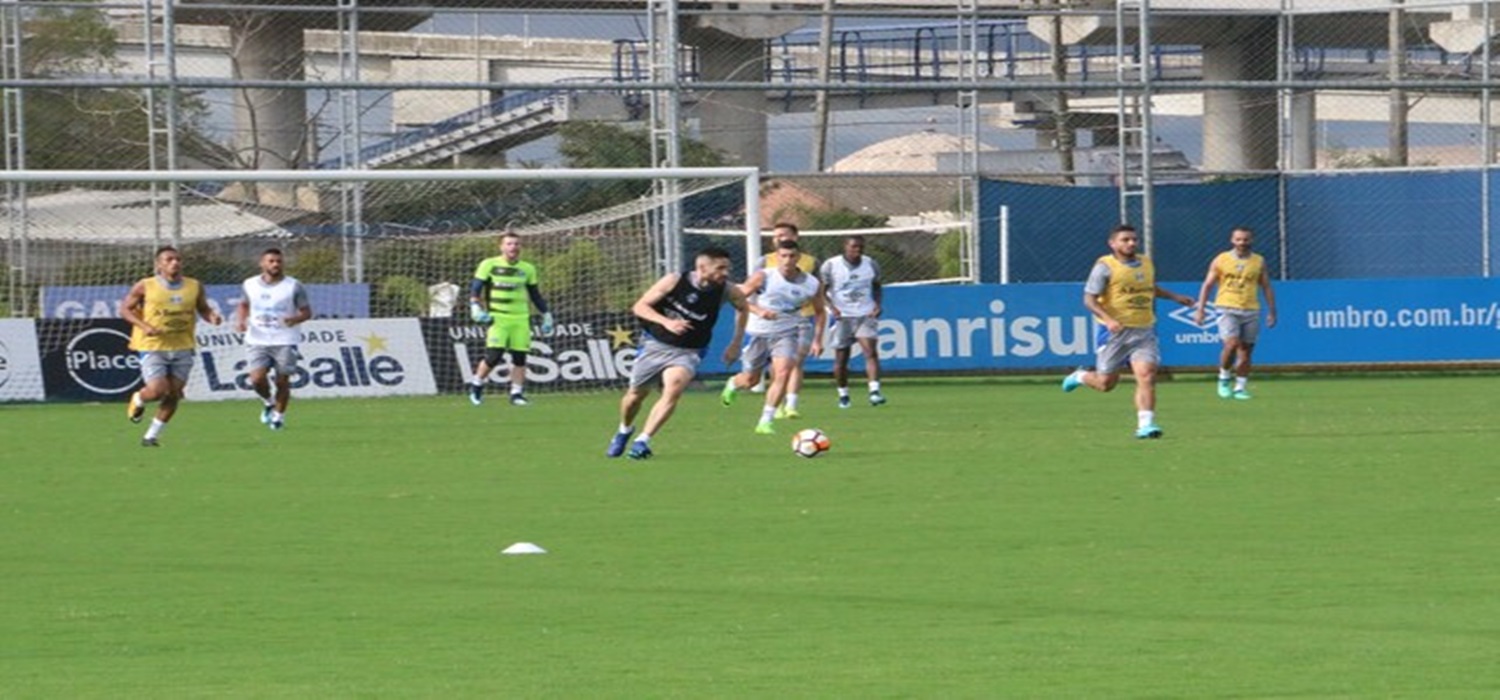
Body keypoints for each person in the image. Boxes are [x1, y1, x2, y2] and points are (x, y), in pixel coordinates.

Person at [606, 246, 750, 460]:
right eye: (720, 268)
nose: (725, 273)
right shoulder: (674, 281)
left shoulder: (728, 291)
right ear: (702, 267)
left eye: (727, 268)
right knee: (634, 397)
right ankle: (625, 430)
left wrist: (736, 343)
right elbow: (640, 306)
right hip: (655, 345)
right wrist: (666, 322)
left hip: (690, 350)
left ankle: (642, 441)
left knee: (673, 388)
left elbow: (744, 308)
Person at [1061, 224, 1194, 439]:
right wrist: (1108, 319)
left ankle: (1146, 425)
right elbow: (1089, 299)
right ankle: (1081, 376)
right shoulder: (1105, 266)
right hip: (1113, 331)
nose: (1131, 243)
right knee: (1106, 384)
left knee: (1147, 376)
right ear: (1112, 243)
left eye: (1134, 239)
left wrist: (1175, 297)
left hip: (1144, 330)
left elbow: (1150, 288)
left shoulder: (1146, 263)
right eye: (1125, 239)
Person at [120, 246, 224, 447]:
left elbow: (203, 308)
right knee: (158, 390)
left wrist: (212, 316)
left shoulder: (194, 285)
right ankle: (139, 399)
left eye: (177, 259)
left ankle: (151, 436)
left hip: (182, 345)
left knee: (174, 394)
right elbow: (125, 310)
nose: (174, 263)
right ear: (159, 264)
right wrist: (144, 325)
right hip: (153, 345)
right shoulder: (145, 286)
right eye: (168, 259)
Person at [721, 239, 826, 434]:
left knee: (783, 372)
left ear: (799, 258)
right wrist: (758, 310)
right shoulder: (763, 277)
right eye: (783, 256)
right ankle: (734, 383)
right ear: (777, 257)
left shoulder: (812, 284)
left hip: (787, 332)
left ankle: (765, 421)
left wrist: (818, 339)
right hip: (758, 332)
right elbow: (738, 298)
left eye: (792, 256)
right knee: (751, 380)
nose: (787, 260)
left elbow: (820, 312)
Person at [467, 231, 553, 406]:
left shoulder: (527, 268)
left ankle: (516, 394)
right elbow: (476, 288)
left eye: (516, 244)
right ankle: (476, 385)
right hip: (498, 318)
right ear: (501, 246)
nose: (513, 247)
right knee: (494, 356)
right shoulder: (488, 264)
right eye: (509, 244)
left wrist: (547, 314)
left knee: (520, 358)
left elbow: (535, 295)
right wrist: (475, 306)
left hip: (521, 319)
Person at [1193, 226, 1277, 400]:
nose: (1242, 243)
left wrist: (1272, 310)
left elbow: (1266, 286)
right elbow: (1207, 285)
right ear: (1232, 240)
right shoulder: (1221, 259)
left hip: (1251, 308)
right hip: (1227, 307)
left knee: (1246, 350)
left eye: (1245, 239)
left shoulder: (1258, 261)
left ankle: (1240, 387)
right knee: (1231, 344)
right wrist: (1200, 309)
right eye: (1238, 239)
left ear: (1251, 240)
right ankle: (1224, 377)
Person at [744, 222, 819, 416]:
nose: (780, 238)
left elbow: (820, 296)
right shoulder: (763, 264)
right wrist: (757, 310)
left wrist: (818, 338)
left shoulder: (811, 263)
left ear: (796, 237)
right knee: (755, 376)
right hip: (763, 325)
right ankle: (773, 399)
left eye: (784, 235)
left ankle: (789, 406)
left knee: (792, 363)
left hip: (800, 319)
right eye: (776, 236)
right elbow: (746, 292)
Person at [235, 248, 313, 431]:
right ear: (262, 263)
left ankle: (278, 417)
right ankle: (268, 402)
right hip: (257, 339)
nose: (275, 264)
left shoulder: (293, 286)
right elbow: (244, 305)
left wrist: (294, 319)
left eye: (278, 261)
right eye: (271, 261)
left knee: (282, 381)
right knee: (256, 379)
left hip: (285, 339)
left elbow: (307, 312)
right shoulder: (249, 284)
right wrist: (241, 321)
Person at [819, 234, 886, 408]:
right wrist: (832, 308)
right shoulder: (831, 265)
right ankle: (843, 394)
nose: (857, 251)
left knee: (870, 351)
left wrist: (877, 305)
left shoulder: (870, 264)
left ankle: (874, 391)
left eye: (860, 248)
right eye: (853, 247)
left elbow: (877, 286)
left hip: (864, 314)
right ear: (845, 247)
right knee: (842, 359)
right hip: (842, 317)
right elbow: (822, 292)